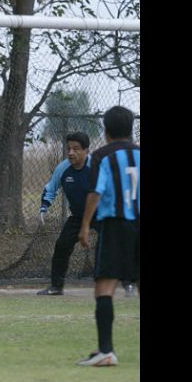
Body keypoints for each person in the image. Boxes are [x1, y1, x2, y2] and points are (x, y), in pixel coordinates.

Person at [76, 106, 140, 367]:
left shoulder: (102, 157)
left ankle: (106, 351)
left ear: (106, 130)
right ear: (131, 128)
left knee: (105, 285)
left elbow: (95, 193)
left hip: (116, 225)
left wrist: (84, 225)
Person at [37, 132, 136, 297]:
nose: (71, 153)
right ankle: (56, 287)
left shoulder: (98, 166)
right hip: (78, 217)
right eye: (68, 149)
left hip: (102, 215)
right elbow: (51, 188)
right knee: (62, 245)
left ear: (86, 151)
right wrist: (44, 207)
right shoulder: (63, 169)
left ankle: (129, 284)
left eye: (76, 149)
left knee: (117, 246)